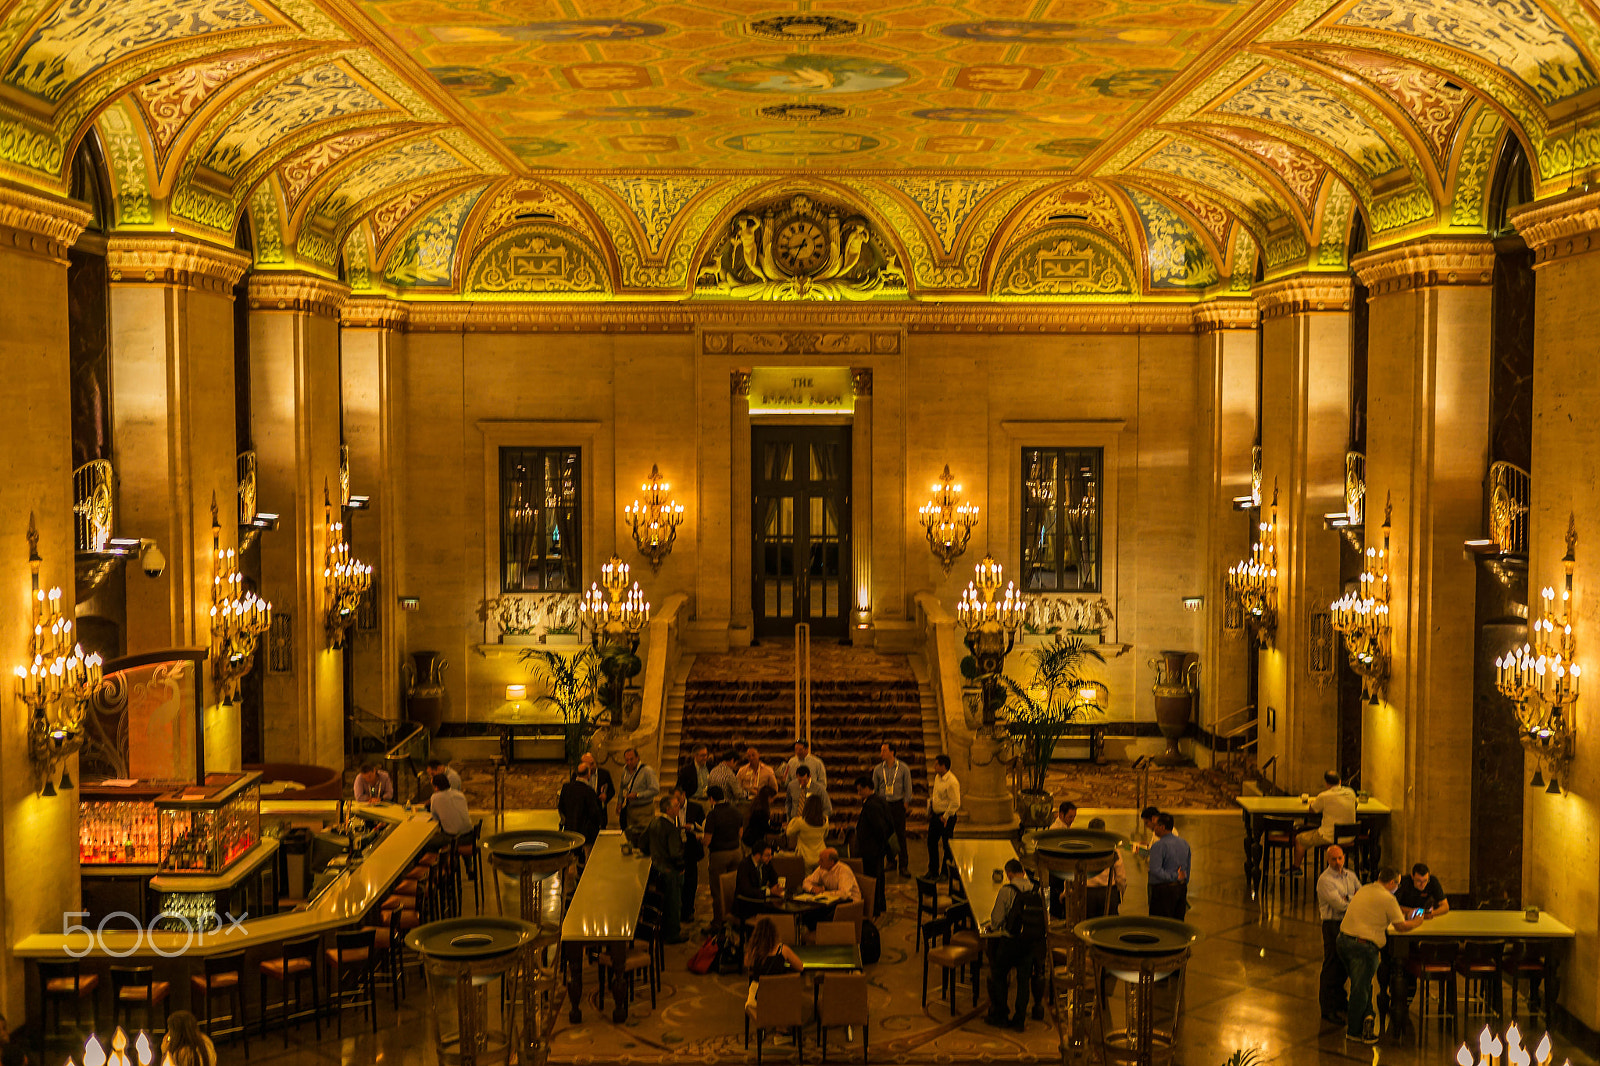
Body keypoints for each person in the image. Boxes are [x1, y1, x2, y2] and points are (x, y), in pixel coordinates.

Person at [1338, 867, 1427, 1044]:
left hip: (1343, 941)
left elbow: (1379, 911)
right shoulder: (1388, 897)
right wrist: (1417, 921)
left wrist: (1403, 912)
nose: (1398, 887)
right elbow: (1401, 927)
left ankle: (1368, 1018)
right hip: (1363, 947)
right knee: (1360, 990)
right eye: (1398, 884)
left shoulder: (1365, 889)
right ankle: (1354, 1032)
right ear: (1392, 883)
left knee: (1361, 984)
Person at [983, 858, 1048, 1031]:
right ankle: (1019, 1020)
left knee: (998, 974)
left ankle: (1001, 1014)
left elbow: (996, 920)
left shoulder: (1007, 890)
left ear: (1009, 874)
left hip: (1009, 941)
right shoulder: (1039, 889)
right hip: (1029, 942)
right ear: (1024, 872)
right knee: (1023, 980)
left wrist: (993, 927)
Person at [1317, 844, 1362, 1024]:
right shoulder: (1325, 880)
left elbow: (1361, 895)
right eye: (1334, 859)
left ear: (1344, 857)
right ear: (1328, 860)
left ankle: (1340, 1002)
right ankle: (1327, 1008)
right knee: (1332, 965)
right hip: (1332, 925)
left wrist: (1348, 898)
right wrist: (1351, 899)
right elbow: (1339, 905)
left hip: (1349, 924)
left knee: (1344, 964)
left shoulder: (1350, 876)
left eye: (1340, 858)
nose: (1337, 862)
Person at [646, 793, 690, 943]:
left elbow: (643, 842)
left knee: (662, 903)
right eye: (676, 806)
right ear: (668, 809)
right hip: (670, 871)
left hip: (657, 868)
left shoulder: (654, 822)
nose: (679, 808)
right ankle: (672, 934)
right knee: (673, 904)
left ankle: (662, 932)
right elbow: (675, 853)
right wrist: (681, 867)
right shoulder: (671, 828)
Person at [1295, 770, 1358, 867]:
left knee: (1299, 839)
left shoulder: (1324, 796)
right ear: (1340, 781)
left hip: (1329, 837)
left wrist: (1312, 802)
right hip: (1350, 836)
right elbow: (1355, 805)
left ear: (1326, 783)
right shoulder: (1351, 792)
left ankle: (1296, 868)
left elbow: (1312, 810)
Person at [853, 774, 895, 914]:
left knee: (872, 879)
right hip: (877, 848)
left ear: (866, 788)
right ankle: (879, 904)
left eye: (860, 790)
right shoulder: (880, 800)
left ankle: (875, 907)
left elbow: (880, 827)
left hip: (871, 849)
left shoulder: (872, 805)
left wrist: (879, 845)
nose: (859, 794)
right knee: (878, 878)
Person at [704, 784, 744, 921]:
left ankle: (718, 922)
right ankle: (733, 918)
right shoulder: (735, 811)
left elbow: (707, 840)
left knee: (718, 890)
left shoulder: (713, 814)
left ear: (711, 799)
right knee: (733, 888)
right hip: (736, 852)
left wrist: (700, 838)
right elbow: (740, 833)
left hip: (719, 854)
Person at [873, 742, 912, 875]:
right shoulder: (878, 769)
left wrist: (905, 803)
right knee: (886, 834)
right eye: (881, 750)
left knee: (900, 835)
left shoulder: (903, 768)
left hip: (897, 804)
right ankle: (890, 860)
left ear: (892, 752)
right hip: (884, 804)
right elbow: (875, 788)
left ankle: (903, 865)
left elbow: (908, 788)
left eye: (884, 751)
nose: (881, 753)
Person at [673, 780, 707, 928]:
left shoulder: (696, 808)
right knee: (680, 881)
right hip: (678, 848)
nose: (677, 803)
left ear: (684, 795)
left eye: (678, 799)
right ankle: (680, 909)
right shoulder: (672, 808)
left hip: (691, 847)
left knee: (691, 880)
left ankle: (689, 910)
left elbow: (703, 827)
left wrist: (691, 826)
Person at [1146, 813, 1190, 919]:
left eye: (1156, 826)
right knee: (1177, 925)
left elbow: (1155, 870)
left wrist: (1173, 876)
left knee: (1161, 926)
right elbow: (1187, 868)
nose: (1154, 829)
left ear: (1162, 827)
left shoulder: (1158, 846)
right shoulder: (1184, 843)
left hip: (1163, 892)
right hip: (1181, 889)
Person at [1085, 816, 1127, 916]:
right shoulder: (1113, 849)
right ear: (1103, 831)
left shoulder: (1083, 848)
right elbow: (1121, 876)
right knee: (1109, 926)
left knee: (1087, 926)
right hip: (1108, 891)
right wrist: (1120, 891)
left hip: (1087, 893)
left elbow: (1074, 872)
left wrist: (1066, 892)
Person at [927, 754, 960, 878]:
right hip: (936, 815)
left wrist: (945, 816)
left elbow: (956, 802)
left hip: (946, 817)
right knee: (931, 842)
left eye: (936, 764)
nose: (934, 766)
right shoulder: (937, 777)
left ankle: (945, 872)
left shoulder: (952, 782)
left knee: (947, 845)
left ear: (943, 766)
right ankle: (933, 870)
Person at [744, 915, 804, 979]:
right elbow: (800, 967)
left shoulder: (754, 951)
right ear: (775, 934)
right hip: (779, 987)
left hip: (760, 988)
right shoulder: (783, 950)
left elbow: (746, 963)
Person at [557, 764, 603, 847]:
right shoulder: (589, 791)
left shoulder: (566, 787)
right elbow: (594, 813)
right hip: (586, 834)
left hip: (569, 830)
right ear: (588, 774)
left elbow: (561, 807)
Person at [735, 842, 782, 921]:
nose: (770, 857)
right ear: (757, 855)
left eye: (771, 855)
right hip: (746, 904)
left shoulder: (766, 863)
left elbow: (774, 878)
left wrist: (776, 887)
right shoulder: (745, 865)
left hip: (760, 901)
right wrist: (769, 892)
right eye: (767, 855)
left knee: (780, 909)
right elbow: (746, 891)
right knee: (777, 913)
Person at [618, 748, 659, 832]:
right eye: (627, 760)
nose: (629, 762)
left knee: (644, 835)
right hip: (630, 810)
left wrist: (637, 795)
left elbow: (655, 789)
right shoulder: (624, 771)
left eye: (631, 759)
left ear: (637, 758)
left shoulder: (647, 771)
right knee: (631, 834)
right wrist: (619, 802)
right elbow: (622, 788)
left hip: (644, 810)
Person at [785, 792, 830, 866]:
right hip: (821, 856)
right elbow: (825, 835)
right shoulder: (825, 821)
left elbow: (788, 833)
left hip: (805, 857)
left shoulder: (800, 822)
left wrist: (793, 820)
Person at [427, 772, 473, 838]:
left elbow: (435, 818)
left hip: (454, 837)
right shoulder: (460, 794)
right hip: (469, 833)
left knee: (428, 844)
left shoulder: (435, 797)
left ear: (436, 787)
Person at [577, 753, 616, 829]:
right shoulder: (578, 775)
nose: (593, 766)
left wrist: (606, 797)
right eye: (590, 765)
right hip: (583, 814)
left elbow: (612, 790)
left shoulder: (604, 774)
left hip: (599, 812)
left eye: (593, 763)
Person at [743, 784, 779, 852]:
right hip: (753, 840)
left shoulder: (757, 805)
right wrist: (779, 831)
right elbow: (765, 827)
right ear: (768, 798)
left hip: (751, 838)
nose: (772, 801)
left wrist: (779, 824)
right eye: (772, 798)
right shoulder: (760, 811)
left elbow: (767, 822)